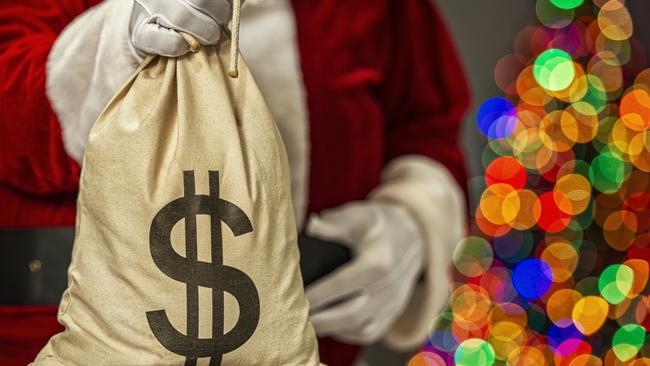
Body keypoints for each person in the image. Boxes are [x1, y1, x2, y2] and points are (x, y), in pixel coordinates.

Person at [0, 0, 469, 365]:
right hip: (58, 333)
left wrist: (412, 222)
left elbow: (426, 124)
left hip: (316, 338)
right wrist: (119, 42)